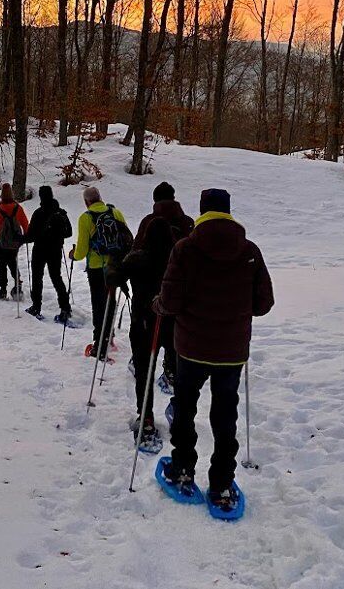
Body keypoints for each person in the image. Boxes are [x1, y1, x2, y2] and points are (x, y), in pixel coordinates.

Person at [154, 188, 272, 514]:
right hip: (231, 351)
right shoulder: (249, 251)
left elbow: (171, 301)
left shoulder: (185, 249)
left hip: (191, 348)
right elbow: (264, 303)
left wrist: (159, 304)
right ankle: (221, 483)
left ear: (202, 211)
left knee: (185, 408)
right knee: (225, 415)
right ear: (228, 211)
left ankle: (182, 469)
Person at [121, 181, 194, 448]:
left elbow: (130, 258)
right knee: (181, 366)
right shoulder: (187, 224)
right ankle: (179, 408)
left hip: (145, 314)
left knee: (144, 367)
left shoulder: (148, 224)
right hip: (178, 314)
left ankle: (147, 417)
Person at [71, 186, 130, 359]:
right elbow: (126, 237)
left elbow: (81, 251)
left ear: (86, 202)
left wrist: (73, 255)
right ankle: (109, 337)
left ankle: (99, 344)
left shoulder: (86, 218)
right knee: (110, 302)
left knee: (98, 304)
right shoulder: (115, 212)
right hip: (115, 265)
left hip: (96, 268)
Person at [21, 185, 73, 320]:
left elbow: (30, 236)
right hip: (55, 250)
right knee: (56, 278)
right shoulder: (61, 213)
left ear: (41, 196)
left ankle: (36, 307)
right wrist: (56, 236)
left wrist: (21, 239)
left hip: (39, 250)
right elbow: (69, 232)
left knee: (37, 278)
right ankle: (65, 308)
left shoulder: (38, 213)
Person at [0, 183, 28, 299]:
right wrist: (26, 236)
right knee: (13, 262)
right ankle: (18, 285)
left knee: (1, 265)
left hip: (0, 242)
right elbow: (25, 224)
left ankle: (3, 290)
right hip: (15, 242)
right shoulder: (18, 208)